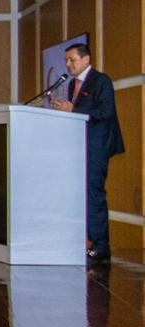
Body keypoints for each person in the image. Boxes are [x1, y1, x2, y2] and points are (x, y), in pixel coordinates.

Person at [49, 43, 126, 264]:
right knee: (80, 196)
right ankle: (81, 242)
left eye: (72, 59)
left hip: (96, 148)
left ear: (86, 60)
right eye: (65, 60)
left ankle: (100, 247)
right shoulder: (73, 83)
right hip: (78, 148)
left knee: (94, 195)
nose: (68, 64)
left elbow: (105, 112)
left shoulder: (101, 81)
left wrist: (73, 110)